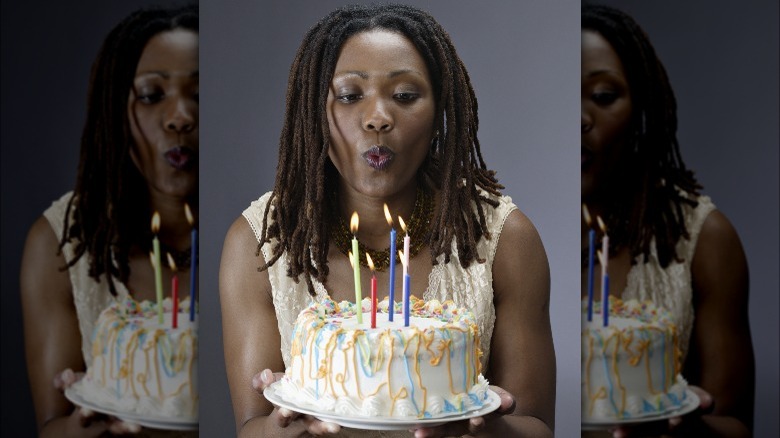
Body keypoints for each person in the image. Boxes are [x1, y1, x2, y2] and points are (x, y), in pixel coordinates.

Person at [220, 4, 555, 438]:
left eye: (404, 95)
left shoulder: (506, 239)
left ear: (439, 113)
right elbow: (250, 427)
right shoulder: (260, 242)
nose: (378, 118)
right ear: (315, 112)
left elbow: (537, 427)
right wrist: (283, 428)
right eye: (349, 94)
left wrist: (483, 431)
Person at [20, 4, 199, 437]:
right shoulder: (63, 241)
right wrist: (85, 428)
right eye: (152, 95)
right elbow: (52, 426)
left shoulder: (248, 238)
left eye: (200, 93)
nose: (181, 117)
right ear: (116, 109)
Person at [581, 4, 754, 437]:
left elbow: (735, 423)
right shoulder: (503, 232)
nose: (579, 118)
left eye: (602, 96)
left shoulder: (703, 238)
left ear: (641, 106)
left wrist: (687, 428)